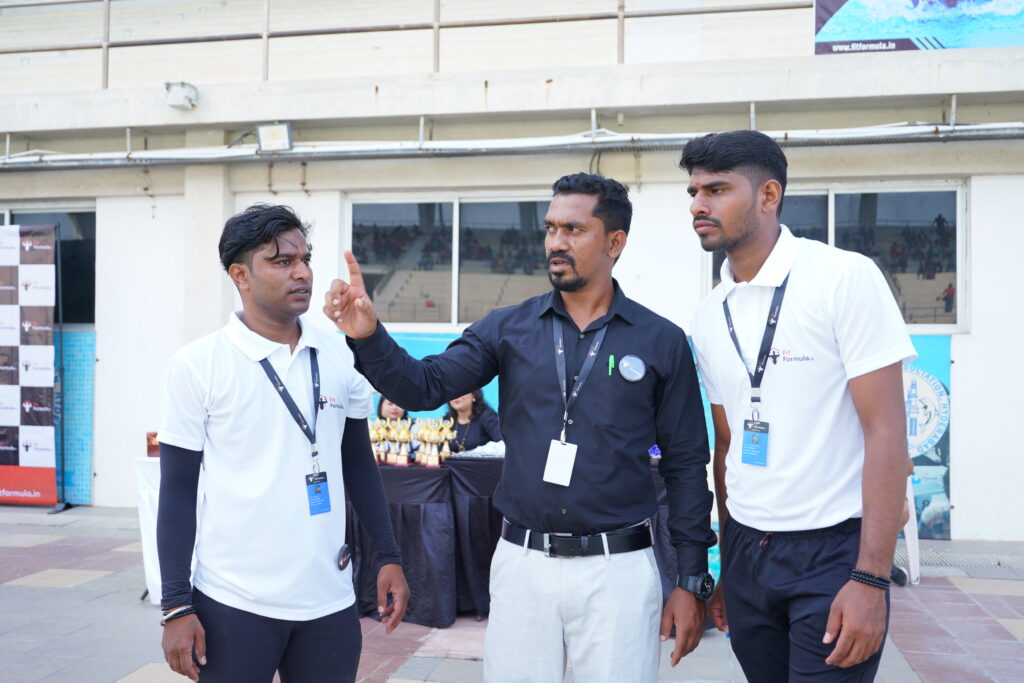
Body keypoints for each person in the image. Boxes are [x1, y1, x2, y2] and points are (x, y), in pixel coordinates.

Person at [324, 173, 716, 682]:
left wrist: (691, 579)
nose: (556, 242)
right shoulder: (507, 328)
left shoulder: (660, 340)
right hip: (522, 563)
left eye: (574, 229)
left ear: (614, 243)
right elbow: (424, 386)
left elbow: (686, 464)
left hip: (618, 569)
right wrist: (369, 337)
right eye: (551, 228)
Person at [683, 130, 916, 682]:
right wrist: (729, 567)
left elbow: (886, 433)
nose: (697, 205)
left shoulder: (842, 278)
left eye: (717, 189)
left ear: (769, 195)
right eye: (693, 192)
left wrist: (871, 578)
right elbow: (727, 444)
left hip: (833, 551)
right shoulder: (711, 313)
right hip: (747, 550)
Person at [156, 204, 409, 683]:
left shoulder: (340, 353)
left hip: (329, 601)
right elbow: (176, 492)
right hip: (233, 602)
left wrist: (388, 555)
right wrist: (175, 605)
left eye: (305, 259)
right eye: (282, 262)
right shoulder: (198, 365)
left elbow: (358, 464)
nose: (302, 273)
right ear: (240, 276)